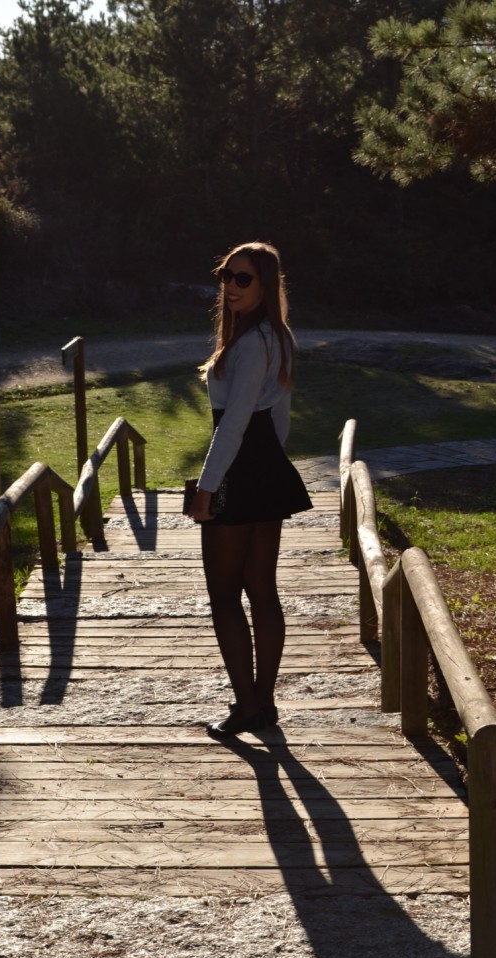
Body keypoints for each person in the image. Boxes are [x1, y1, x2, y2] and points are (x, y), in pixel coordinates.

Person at [187, 241, 313, 739]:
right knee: (261, 590)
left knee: (224, 595)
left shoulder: (251, 343)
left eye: (244, 279)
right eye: (227, 276)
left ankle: (246, 706)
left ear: (265, 286)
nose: (232, 287)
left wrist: (207, 487)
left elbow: (233, 424)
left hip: (239, 469)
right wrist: (269, 463)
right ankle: (263, 702)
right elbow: (278, 418)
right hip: (266, 467)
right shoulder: (277, 338)